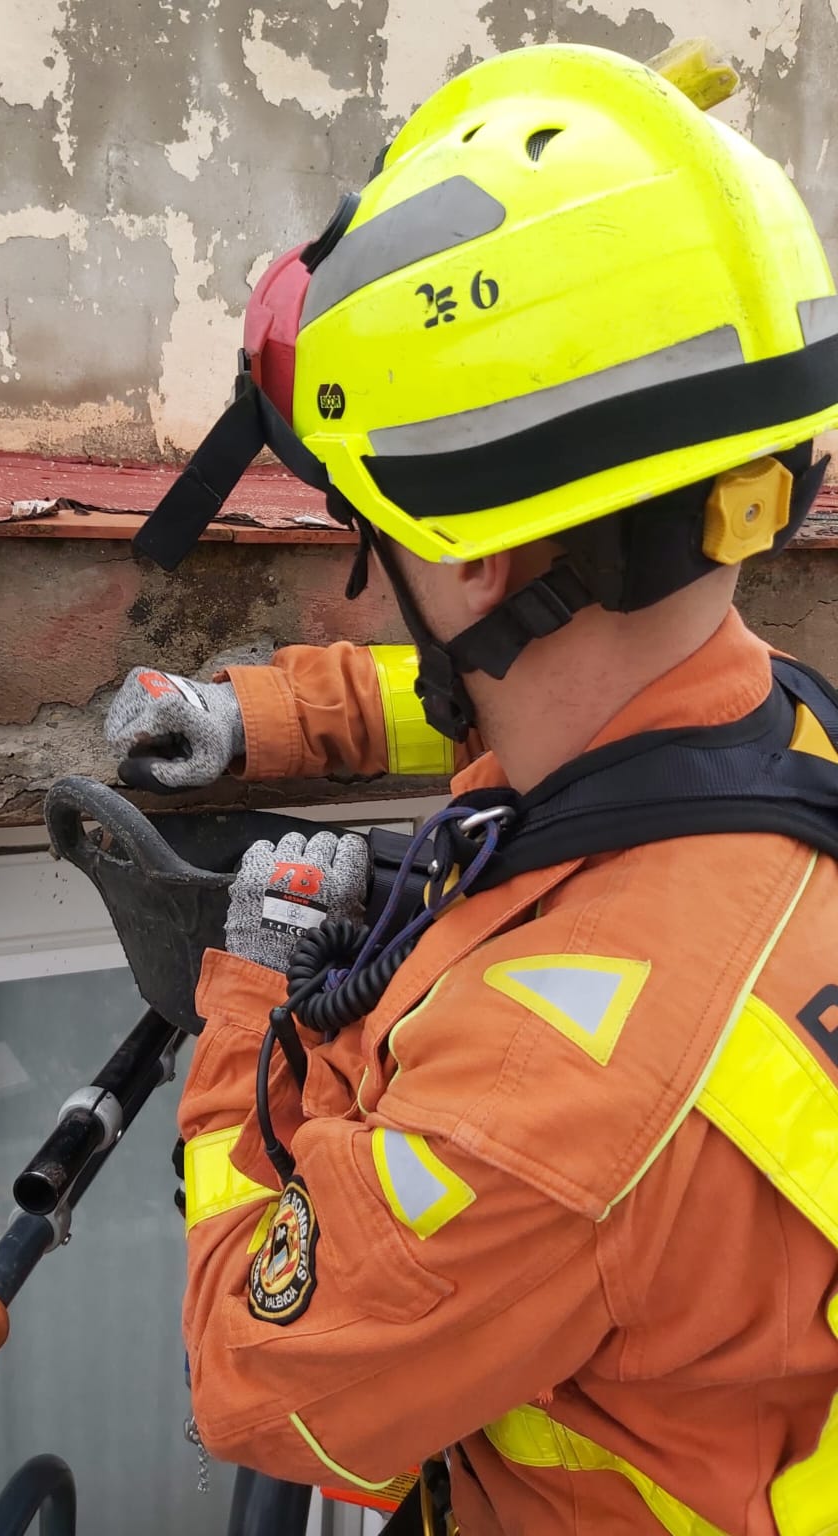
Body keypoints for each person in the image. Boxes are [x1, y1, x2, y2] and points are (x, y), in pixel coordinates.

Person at [106, 41, 838, 1533]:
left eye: (369, 527)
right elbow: (523, 720)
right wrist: (261, 718)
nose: (370, 566)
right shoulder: (780, 734)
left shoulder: (542, 1101)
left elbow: (256, 1381)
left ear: (477, 558)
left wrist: (248, 999)